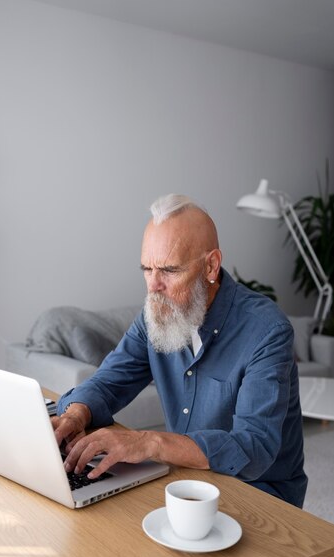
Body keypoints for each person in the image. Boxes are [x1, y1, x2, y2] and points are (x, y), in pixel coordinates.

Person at [52, 194, 307, 508]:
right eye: (147, 269)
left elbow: (254, 448)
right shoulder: (156, 314)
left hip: (261, 499)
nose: (153, 286)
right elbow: (108, 382)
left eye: (169, 271)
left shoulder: (267, 331)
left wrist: (149, 442)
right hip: (185, 484)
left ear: (211, 265)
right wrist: (76, 414)